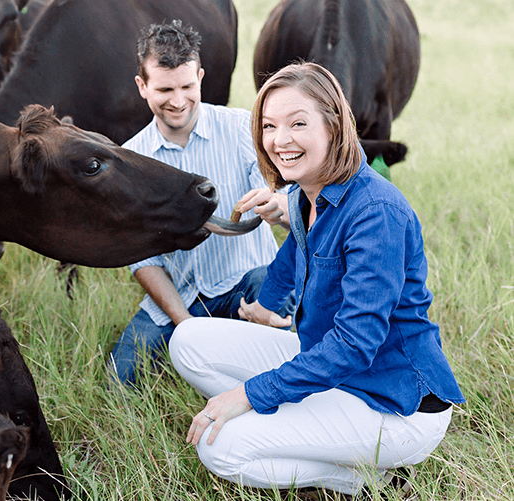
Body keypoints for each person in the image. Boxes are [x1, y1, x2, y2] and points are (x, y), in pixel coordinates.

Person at [170, 61, 465, 496]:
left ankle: (368, 478)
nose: (279, 139)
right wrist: (267, 306)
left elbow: (356, 343)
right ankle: (301, 428)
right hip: (331, 367)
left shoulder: (375, 212)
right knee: (188, 340)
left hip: (394, 404)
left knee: (222, 449)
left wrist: (249, 394)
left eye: (298, 123)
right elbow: (296, 249)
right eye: (269, 125)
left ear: (333, 124)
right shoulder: (306, 191)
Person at [108, 20, 295, 386]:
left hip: (248, 283)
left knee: (274, 289)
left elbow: (292, 213)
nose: (178, 101)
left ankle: (275, 371)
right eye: (164, 89)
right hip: (183, 299)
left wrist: (279, 207)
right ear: (142, 86)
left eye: (187, 86)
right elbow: (143, 261)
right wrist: (188, 327)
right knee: (120, 379)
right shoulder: (131, 158)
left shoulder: (243, 127)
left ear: (201, 78)